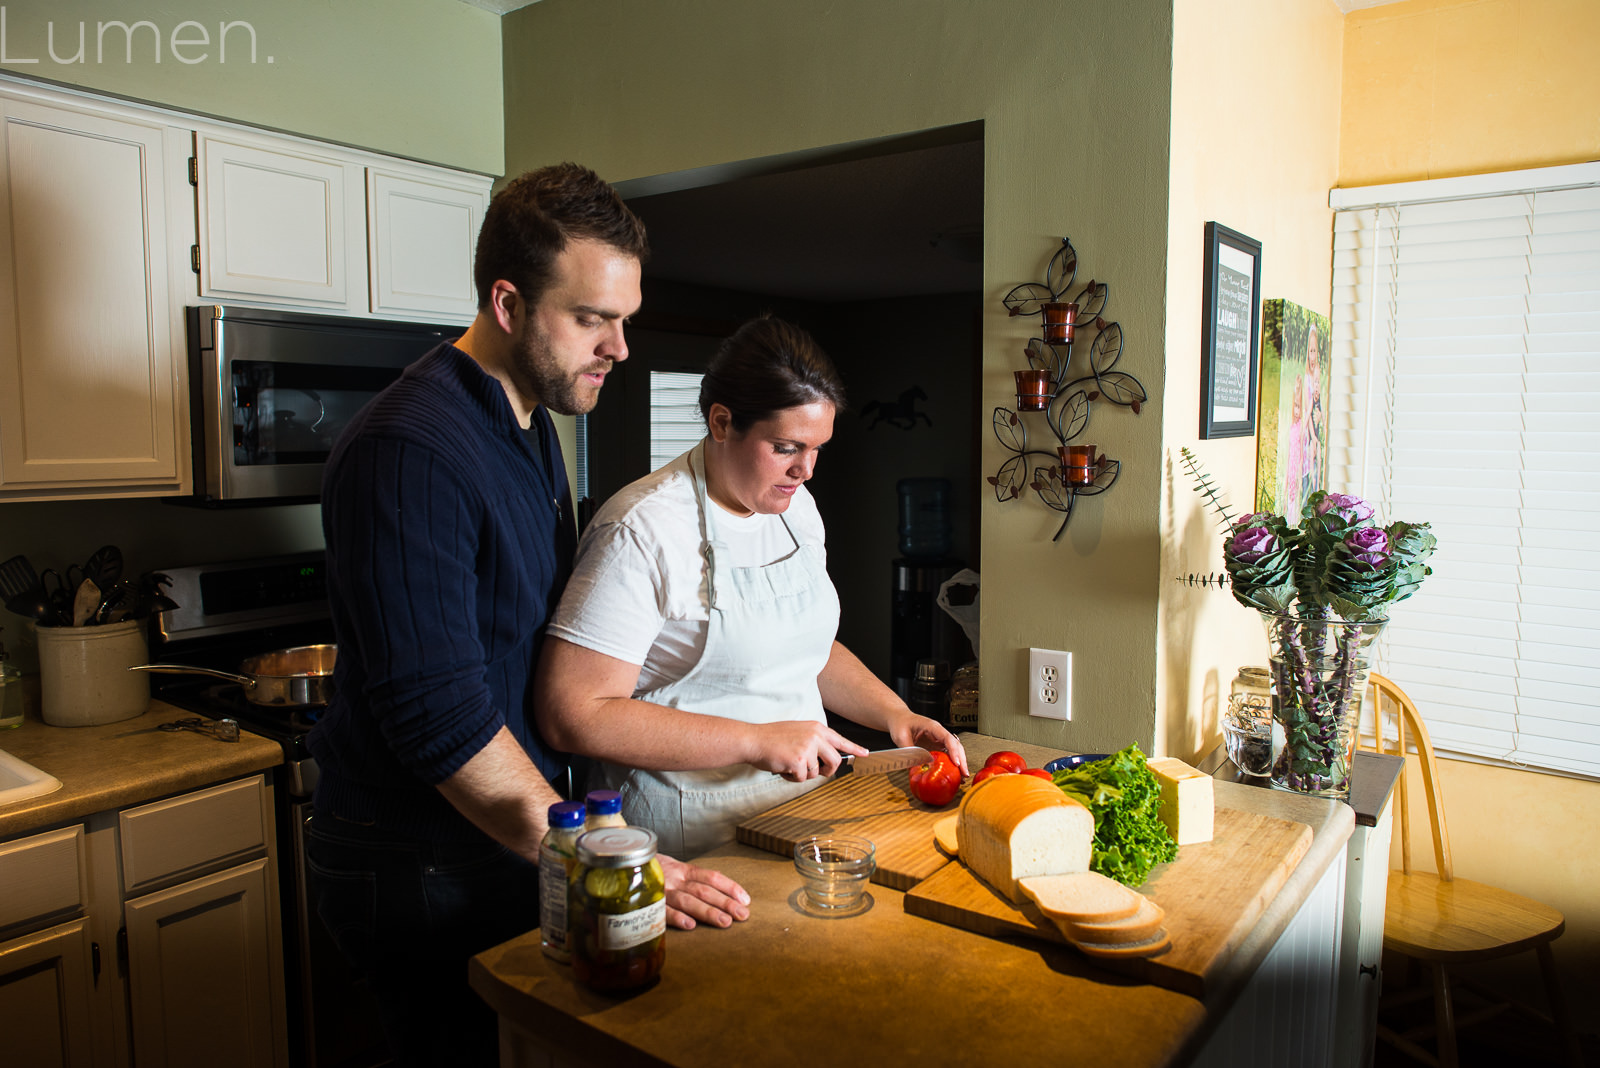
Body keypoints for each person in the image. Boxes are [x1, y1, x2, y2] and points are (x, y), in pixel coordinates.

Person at [306, 163, 749, 1068]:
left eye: (624, 319)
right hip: (420, 860)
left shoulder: (530, 422)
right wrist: (607, 856)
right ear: (507, 304)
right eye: (592, 319)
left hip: (501, 838)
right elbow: (437, 716)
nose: (619, 349)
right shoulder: (411, 450)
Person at [536, 316, 969, 858]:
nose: (806, 470)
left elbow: (802, 648)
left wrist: (894, 714)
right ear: (722, 422)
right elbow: (573, 712)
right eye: (787, 447)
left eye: (818, 449)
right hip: (685, 834)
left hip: (800, 814)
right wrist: (757, 739)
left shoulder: (796, 509)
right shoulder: (641, 530)